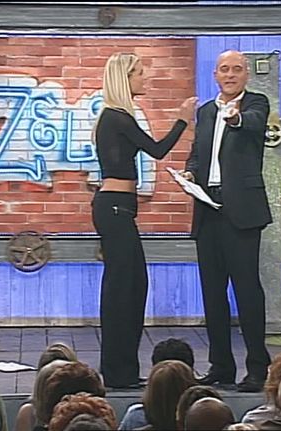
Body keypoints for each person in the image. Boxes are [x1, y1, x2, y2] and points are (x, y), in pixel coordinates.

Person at [92, 52, 197, 389]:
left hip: (119, 208)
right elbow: (157, 149)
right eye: (138, 73)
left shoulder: (117, 117)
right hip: (114, 209)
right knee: (123, 289)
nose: (144, 78)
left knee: (132, 286)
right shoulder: (116, 117)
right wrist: (182, 120)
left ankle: (122, 368)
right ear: (124, 79)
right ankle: (117, 371)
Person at [183, 49, 272, 392]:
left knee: (247, 291)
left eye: (236, 69)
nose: (230, 75)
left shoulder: (256, 104)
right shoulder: (206, 111)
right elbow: (198, 151)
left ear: (246, 74)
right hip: (208, 209)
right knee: (212, 293)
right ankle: (221, 366)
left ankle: (258, 368)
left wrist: (235, 119)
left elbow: (253, 124)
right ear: (215, 75)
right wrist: (191, 172)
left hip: (242, 211)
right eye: (224, 69)